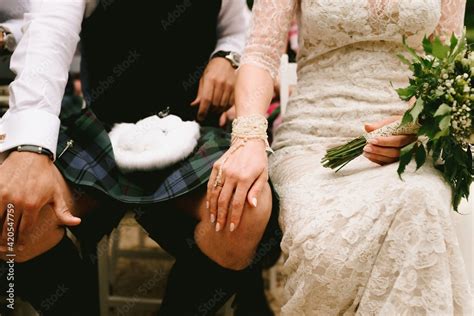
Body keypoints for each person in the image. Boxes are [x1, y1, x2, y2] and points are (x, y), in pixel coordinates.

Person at [0, 0, 280, 315]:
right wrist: (30, 145)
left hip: (192, 130)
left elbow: (239, 29)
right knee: (15, 217)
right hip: (102, 131)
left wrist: (227, 57)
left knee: (245, 210)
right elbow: (50, 30)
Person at [211, 0, 473, 314]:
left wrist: (413, 124)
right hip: (313, 143)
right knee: (330, 252)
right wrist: (249, 138)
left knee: (422, 200)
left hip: (408, 146)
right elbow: (260, 55)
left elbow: (445, 58)